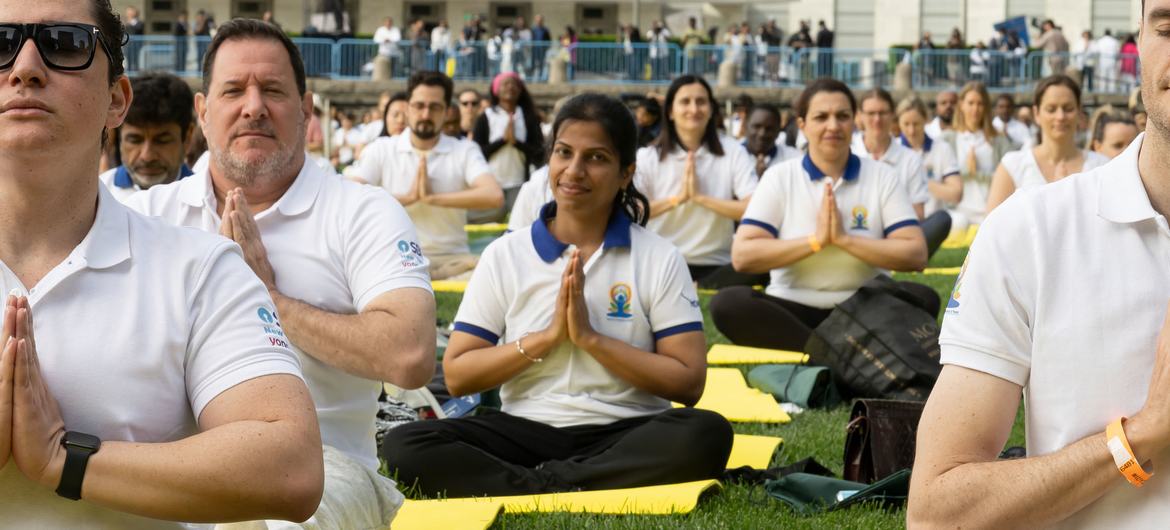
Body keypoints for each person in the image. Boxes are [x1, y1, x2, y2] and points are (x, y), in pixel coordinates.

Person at [0, 1, 325, 526]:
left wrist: (66, 461)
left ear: (115, 99)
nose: (26, 67)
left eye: (65, 44)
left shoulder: (198, 268)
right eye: (0, 44)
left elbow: (291, 468)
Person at [125, 19, 435, 528]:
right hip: (166, 463)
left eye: (272, 90)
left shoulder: (359, 211)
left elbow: (411, 356)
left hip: (321, 469)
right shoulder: (145, 216)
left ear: (306, 111)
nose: (253, 107)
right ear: (203, 112)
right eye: (233, 91)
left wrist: (265, 296)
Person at [383, 93, 733, 497]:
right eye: (564, 153)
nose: (575, 171)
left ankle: (539, 482)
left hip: (626, 429)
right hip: (524, 430)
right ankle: (579, 479)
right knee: (405, 444)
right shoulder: (506, 253)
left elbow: (689, 382)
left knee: (707, 431)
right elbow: (460, 375)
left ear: (625, 173)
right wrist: (546, 339)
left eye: (597, 158)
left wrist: (591, 340)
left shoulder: (659, 256)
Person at [908, 2, 1170, 525]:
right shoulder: (1029, 229)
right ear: (1137, 38)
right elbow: (937, 514)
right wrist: (1141, 434)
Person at [709, 79, 935, 352]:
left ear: (855, 121)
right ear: (802, 125)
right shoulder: (780, 177)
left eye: (842, 116)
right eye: (821, 117)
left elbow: (915, 253)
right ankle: (836, 354)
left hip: (865, 307)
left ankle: (824, 352)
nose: (833, 126)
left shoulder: (882, 176)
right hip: (793, 307)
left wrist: (843, 240)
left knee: (923, 298)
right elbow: (743, 256)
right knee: (728, 303)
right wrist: (815, 241)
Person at [350, 71, 503, 281]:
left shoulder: (465, 150)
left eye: (434, 107)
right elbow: (350, 195)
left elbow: (493, 195)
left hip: (453, 257)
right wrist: (408, 198)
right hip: (394, 256)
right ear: (407, 107)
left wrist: (433, 199)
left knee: (495, 274)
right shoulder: (382, 149)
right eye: (419, 106)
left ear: (447, 111)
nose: (425, 114)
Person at [634, 75, 760, 289]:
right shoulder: (647, 157)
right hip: (661, 260)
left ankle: (698, 285)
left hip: (717, 263)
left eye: (701, 102)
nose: (694, 109)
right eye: (685, 102)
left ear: (711, 109)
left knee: (762, 262)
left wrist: (701, 198)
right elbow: (633, 212)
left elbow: (754, 209)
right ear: (671, 112)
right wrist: (678, 199)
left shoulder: (734, 152)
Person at [986, 76, 1109, 212]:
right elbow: (993, 228)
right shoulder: (1012, 165)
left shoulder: (1101, 166)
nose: (1060, 116)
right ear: (1037, 113)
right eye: (1051, 109)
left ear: (1079, 112)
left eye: (1068, 109)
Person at [852, 89, 949, 255]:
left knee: (942, 219)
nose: (877, 119)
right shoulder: (849, 151)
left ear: (892, 115)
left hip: (896, 234)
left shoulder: (911, 159)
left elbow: (917, 214)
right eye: (871, 113)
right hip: (855, 232)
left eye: (882, 113)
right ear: (859, 116)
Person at [99, 72, 195, 202]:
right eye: (135, 140)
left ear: (187, 137)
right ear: (118, 137)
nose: (147, 156)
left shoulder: (210, 201)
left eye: (162, 141)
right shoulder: (97, 197)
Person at [942, 81, 1013, 229]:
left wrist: (978, 172)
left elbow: (1011, 177)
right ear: (961, 105)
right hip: (958, 212)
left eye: (980, 104)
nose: (975, 109)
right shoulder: (947, 139)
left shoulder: (999, 140)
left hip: (990, 211)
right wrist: (966, 171)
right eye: (971, 103)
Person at [896, 97, 963, 244]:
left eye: (916, 124)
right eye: (906, 124)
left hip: (932, 220)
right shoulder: (892, 151)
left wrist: (921, 179)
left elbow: (956, 194)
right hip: (899, 222)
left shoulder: (941, 148)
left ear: (926, 120)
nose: (911, 131)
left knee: (960, 221)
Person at [472, 72, 544, 207]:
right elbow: (476, 153)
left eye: (515, 84)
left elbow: (538, 151)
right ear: (496, 90)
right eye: (505, 84)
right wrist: (503, 141)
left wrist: (516, 143)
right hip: (491, 183)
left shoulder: (529, 117)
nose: (510, 87)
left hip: (520, 183)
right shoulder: (486, 117)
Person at [743, 104, 802, 176]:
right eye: (757, 127)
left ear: (778, 131)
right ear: (745, 126)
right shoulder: (732, 156)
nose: (762, 134)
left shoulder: (795, 158)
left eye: (769, 129)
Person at [530, 14, 550, 80]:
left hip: (542, 50)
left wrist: (546, 48)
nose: (539, 21)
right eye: (537, 20)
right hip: (534, 49)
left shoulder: (545, 30)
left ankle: (541, 77)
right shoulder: (533, 29)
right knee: (533, 63)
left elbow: (548, 40)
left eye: (540, 20)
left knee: (541, 64)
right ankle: (531, 77)